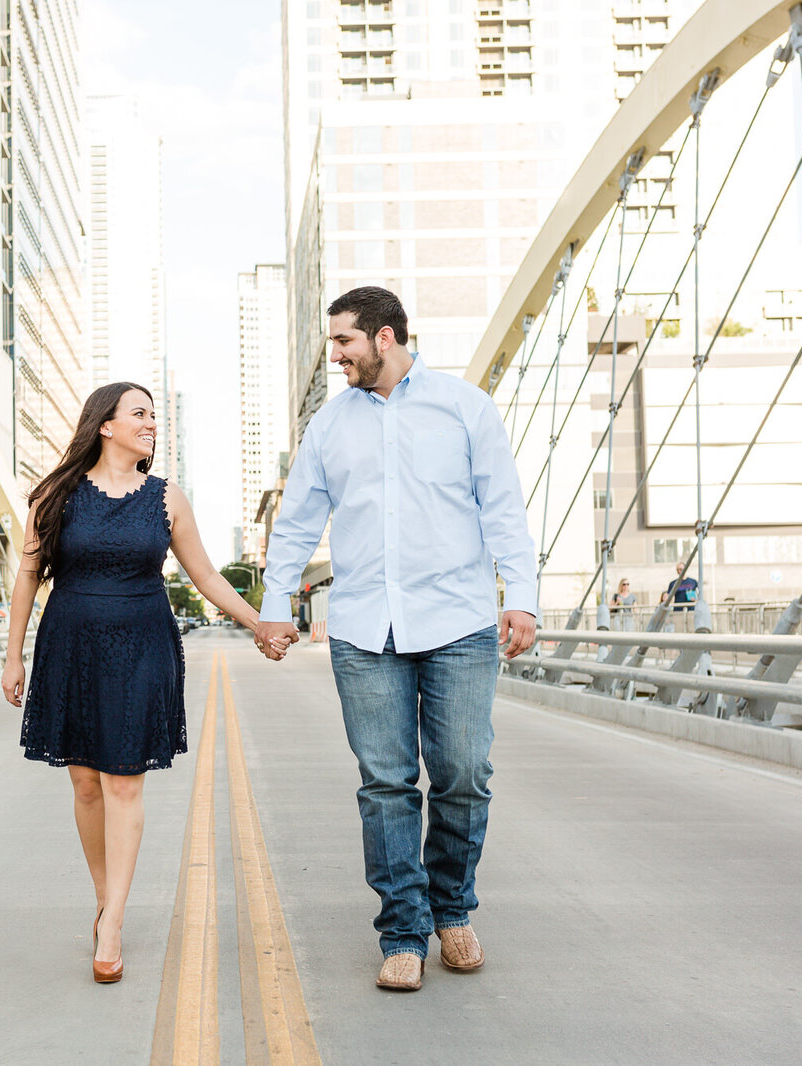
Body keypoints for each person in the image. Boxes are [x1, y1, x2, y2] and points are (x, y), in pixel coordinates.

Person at [254, 286, 539, 993]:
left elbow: (502, 507)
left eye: (344, 343)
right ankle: (405, 930)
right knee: (385, 785)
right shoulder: (330, 426)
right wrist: (273, 604)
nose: (336, 356)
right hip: (363, 627)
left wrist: (523, 600)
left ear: (384, 338)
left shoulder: (465, 408)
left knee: (464, 774)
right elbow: (295, 521)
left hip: (460, 623)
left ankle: (453, 908)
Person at [0, 382, 290, 985]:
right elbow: (28, 576)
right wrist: (13, 657)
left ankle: (113, 925)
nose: (151, 423)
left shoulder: (166, 499)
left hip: (142, 647)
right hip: (70, 645)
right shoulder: (56, 495)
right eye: (139, 414)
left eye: (154, 415)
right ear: (104, 425)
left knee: (123, 783)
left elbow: (205, 574)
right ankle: (105, 897)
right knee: (84, 782)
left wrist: (259, 623)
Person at [660, 560, 698, 632]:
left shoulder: (693, 582)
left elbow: (699, 594)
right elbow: (668, 597)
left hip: (691, 609)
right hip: (678, 610)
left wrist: (695, 599)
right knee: (679, 630)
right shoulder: (673, 583)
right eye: (677, 570)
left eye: (681, 569)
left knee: (691, 629)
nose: (679, 571)